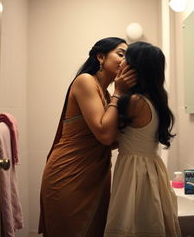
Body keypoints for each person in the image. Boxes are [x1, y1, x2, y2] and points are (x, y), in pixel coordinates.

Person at [38, 37, 136, 237]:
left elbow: (114, 139)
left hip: (94, 176)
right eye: (120, 54)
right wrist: (119, 91)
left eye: (128, 57)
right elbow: (105, 136)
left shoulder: (108, 96)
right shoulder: (85, 81)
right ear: (100, 57)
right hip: (69, 173)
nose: (125, 61)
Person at [104, 41, 182, 237]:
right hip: (151, 167)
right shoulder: (156, 98)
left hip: (134, 170)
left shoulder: (134, 102)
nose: (121, 63)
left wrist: (117, 92)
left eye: (126, 59)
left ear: (136, 68)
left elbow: (107, 135)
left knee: (131, 222)